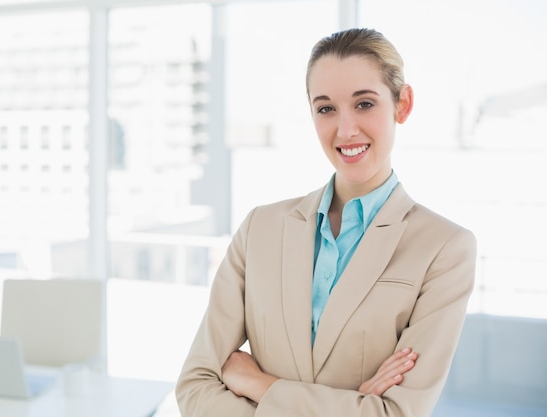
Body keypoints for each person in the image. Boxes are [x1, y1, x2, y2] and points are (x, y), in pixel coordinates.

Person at [176, 28, 476, 417]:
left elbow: (397, 413)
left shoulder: (444, 248)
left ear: (402, 104)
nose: (345, 129)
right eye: (326, 108)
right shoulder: (259, 229)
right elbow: (195, 386)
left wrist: (259, 385)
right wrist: (352, 406)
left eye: (364, 104)